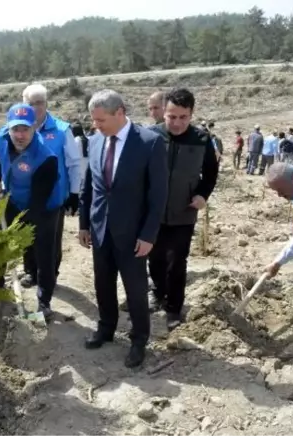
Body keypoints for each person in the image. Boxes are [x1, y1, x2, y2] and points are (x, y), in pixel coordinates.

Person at [79, 89, 168, 368]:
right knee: (102, 284)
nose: (96, 125)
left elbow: (158, 195)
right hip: (100, 228)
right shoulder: (94, 141)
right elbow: (88, 186)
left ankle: (139, 339)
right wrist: (84, 223)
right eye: (93, 120)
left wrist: (148, 234)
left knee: (135, 289)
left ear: (120, 113)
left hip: (133, 234)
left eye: (101, 120)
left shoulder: (149, 142)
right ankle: (106, 328)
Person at [148, 88, 219, 330]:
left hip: (184, 211)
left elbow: (210, 173)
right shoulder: (150, 136)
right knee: (154, 257)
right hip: (153, 212)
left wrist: (202, 194)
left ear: (191, 114)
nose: (177, 123)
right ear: (163, 112)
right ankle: (158, 293)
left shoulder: (201, 139)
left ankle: (174, 309)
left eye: (183, 117)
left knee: (177, 261)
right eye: (171, 116)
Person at [0, 103, 65, 319]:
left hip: (44, 205)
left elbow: (37, 203)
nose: (20, 135)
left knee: (43, 251)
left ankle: (44, 303)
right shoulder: (1, 138)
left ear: (35, 127)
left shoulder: (46, 157)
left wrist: (24, 229)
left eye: (25, 129)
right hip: (13, 196)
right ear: (8, 128)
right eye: (15, 129)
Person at [20, 83, 82, 287]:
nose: (36, 108)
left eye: (40, 103)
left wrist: (74, 193)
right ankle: (31, 271)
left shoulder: (62, 130)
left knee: (51, 239)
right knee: (26, 235)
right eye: (31, 103)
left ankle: (50, 273)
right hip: (24, 196)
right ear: (24, 104)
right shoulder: (17, 130)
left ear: (46, 104)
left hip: (53, 197)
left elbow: (74, 163)